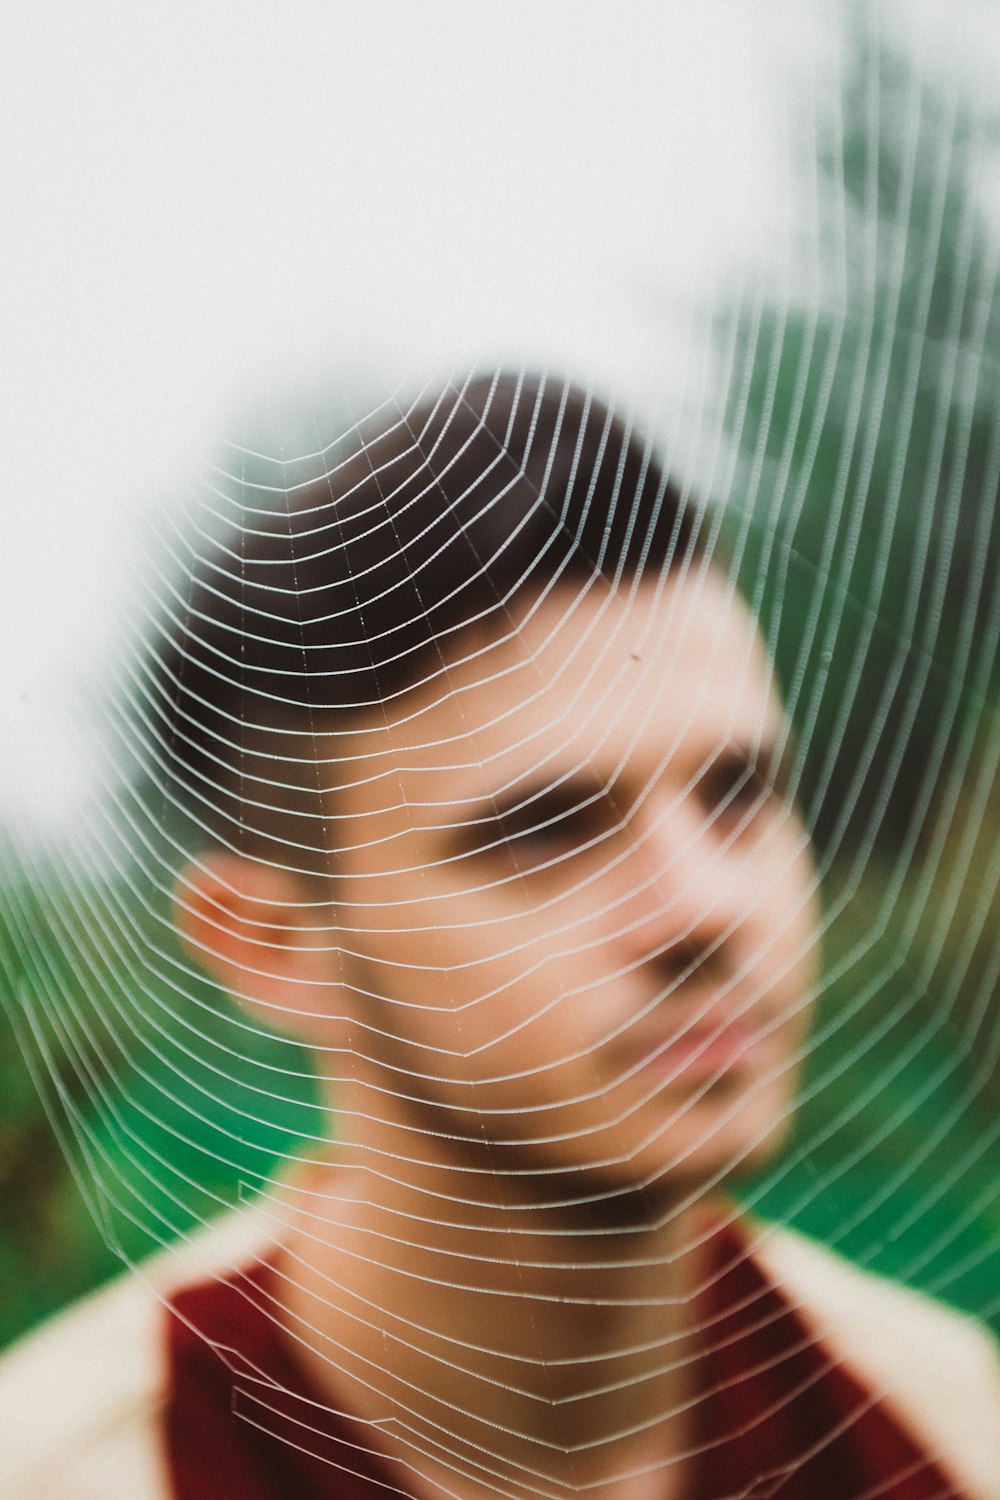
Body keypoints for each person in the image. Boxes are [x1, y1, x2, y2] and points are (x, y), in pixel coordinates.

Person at [3, 372, 999, 1499]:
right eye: (546, 832)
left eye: (738, 792)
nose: (706, 908)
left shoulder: (948, 1430)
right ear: (272, 945)